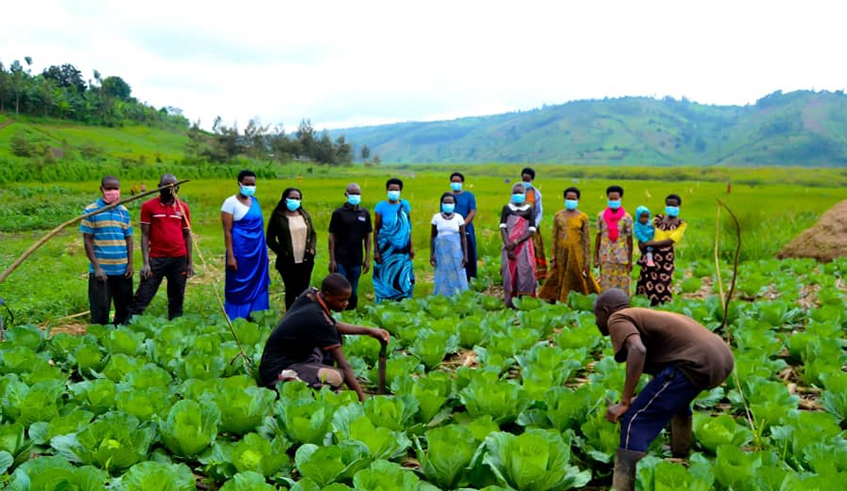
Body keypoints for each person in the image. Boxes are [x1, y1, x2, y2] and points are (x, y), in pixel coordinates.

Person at [593, 288, 734, 491]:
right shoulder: (645, 317)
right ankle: (680, 452)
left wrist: (625, 402)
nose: (596, 321)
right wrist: (640, 398)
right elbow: (660, 383)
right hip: (720, 359)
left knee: (636, 419)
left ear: (605, 310)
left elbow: (637, 350)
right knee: (675, 400)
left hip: (695, 362)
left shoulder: (618, 318)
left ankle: (623, 486)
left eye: (596, 314)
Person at [259, 274, 390, 401]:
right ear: (327, 295)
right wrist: (362, 398)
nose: (346, 304)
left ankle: (310, 382)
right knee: (337, 377)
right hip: (276, 371)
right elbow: (344, 365)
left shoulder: (311, 295)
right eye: (342, 300)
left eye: (347, 299)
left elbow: (332, 325)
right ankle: (291, 387)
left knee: (329, 342)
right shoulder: (318, 318)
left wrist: (369, 331)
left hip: (283, 358)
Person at [128, 174, 194, 320]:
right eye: (166, 185)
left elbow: (187, 235)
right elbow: (145, 236)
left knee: (176, 298)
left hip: (179, 259)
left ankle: (175, 326)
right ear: (159, 187)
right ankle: (128, 325)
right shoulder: (148, 206)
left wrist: (189, 263)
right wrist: (146, 263)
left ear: (178, 187)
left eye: (173, 185)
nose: (170, 188)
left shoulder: (182, 208)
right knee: (143, 295)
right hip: (157, 259)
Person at [81, 176, 134, 325]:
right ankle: (99, 341)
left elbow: (129, 238)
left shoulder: (123, 211)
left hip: (122, 270)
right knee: (100, 311)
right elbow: (87, 240)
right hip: (102, 272)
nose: (113, 192)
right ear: (102, 189)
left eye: (115, 188)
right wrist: (97, 268)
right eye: (109, 188)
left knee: (124, 310)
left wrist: (130, 264)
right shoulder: (91, 211)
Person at [221, 170, 270, 320]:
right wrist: (231, 256)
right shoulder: (230, 203)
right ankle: (237, 317)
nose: (250, 186)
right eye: (247, 184)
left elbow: (260, 228)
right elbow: (227, 232)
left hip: (257, 252)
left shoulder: (255, 201)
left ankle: (257, 315)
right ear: (239, 183)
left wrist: (264, 254)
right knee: (238, 284)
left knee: (258, 283)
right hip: (240, 253)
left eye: (252, 184)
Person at [538, 187, 599, 303]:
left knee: (578, 276)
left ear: (578, 200)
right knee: (558, 276)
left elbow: (586, 241)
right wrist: (553, 257)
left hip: (577, 254)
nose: (570, 200)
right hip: (561, 253)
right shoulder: (558, 215)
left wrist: (587, 261)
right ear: (564, 199)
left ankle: (580, 299)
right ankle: (556, 298)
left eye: (573, 198)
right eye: (568, 198)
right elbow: (554, 236)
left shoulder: (583, 217)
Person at [267, 188, 317, 310]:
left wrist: (312, 248)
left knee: (303, 290)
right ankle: (290, 314)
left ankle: (302, 313)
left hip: (305, 259)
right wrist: (282, 252)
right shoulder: (278, 216)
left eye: (297, 198)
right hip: (287, 261)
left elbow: (313, 234)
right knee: (291, 289)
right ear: (285, 199)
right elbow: (270, 239)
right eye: (292, 198)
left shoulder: (304, 215)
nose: (294, 201)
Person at [636, 194, 688, 305]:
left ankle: (662, 305)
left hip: (665, 257)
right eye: (668, 204)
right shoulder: (657, 219)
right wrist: (641, 241)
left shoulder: (681, 224)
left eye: (674, 205)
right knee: (647, 278)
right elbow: (646, 230)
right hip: (651, 254)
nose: (671, 207)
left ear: (679, 206)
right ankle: (646, 305)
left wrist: (651, 243)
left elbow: (671, 240)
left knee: (663, 280)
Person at [328, 183, 372, 310]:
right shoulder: (338, 213)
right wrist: (332, 259)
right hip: (340, 257)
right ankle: (338, 312)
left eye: (357, 193)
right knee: (341, 288)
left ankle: (352, 312)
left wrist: (367, 258)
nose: (355, 196)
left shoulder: (364, 213)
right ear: (346, 195)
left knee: (353, 289)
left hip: (356, 258)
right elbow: (332, 236)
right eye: (352, 193)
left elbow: (367, 237)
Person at [373, 178, 414, 302]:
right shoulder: (380, 206)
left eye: (396, 189)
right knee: (384, 274)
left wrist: (411, 246)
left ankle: (402, 300)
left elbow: (408, 227)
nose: (393, 192)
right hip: (385, 249)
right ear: (387, 190)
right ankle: (384, 300)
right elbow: (376, 229)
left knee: (402, 274)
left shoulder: (405, 205)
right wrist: (376, 251)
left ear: (400, 191)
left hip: (402, 249)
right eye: (391, 189)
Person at [500, 183, 537, 308]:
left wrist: (516, 242)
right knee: (509, 271)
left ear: (525, 194)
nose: (518, 195)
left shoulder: (529, 209)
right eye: (515, 193)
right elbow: (503, 227)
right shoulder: (507, 208)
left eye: (520, 193)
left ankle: (524, 299)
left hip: (524, 246)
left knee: (525, 270)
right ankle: (510, 300)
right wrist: (508, 245)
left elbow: (531, 229)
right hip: (508, 245)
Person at [594, 185, 633, 294]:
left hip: (622, 256)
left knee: (622, 284)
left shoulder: (627, 217)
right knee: (606, 284)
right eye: (611, 199)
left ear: (621, 198)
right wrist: (596, 257)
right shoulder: (601, 216)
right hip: (605, 255)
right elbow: (598, 236)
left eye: (616, 198)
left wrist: (630, 260)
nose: (613, 201)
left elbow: (630, 239)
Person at [430, 193, 469, 296]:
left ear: (454, 204)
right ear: (442, 204)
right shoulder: (436, 218)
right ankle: (442, 295)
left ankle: (459, 295)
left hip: (456, 251)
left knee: (457, 272)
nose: (448, 204)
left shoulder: (459, 218)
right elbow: (433, 237)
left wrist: (465, 255)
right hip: (441, 251)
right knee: (442, 273)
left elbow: (463, 237)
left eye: (450, 202)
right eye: (445, 202)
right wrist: (432, 254)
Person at [449, 172, 478, 279]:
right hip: (450, 228)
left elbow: (472, 211)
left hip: (466, 228)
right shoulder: (447, 196)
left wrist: (463, 224)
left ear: (462, 182)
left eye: (458, 181)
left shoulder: (468, 196)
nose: (456, 183)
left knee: (469, 251)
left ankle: (470, 277)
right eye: (454, 181)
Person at [521, 167, 547, 281]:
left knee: (534, 249)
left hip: (532, 226)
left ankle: (535, 276)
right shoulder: (518, 191)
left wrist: (533, 226)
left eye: (528, 180)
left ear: (532, 179)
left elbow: (539, 211)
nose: (525, 182)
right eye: (524, 179)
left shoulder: (536, 193)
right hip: (519, 226)